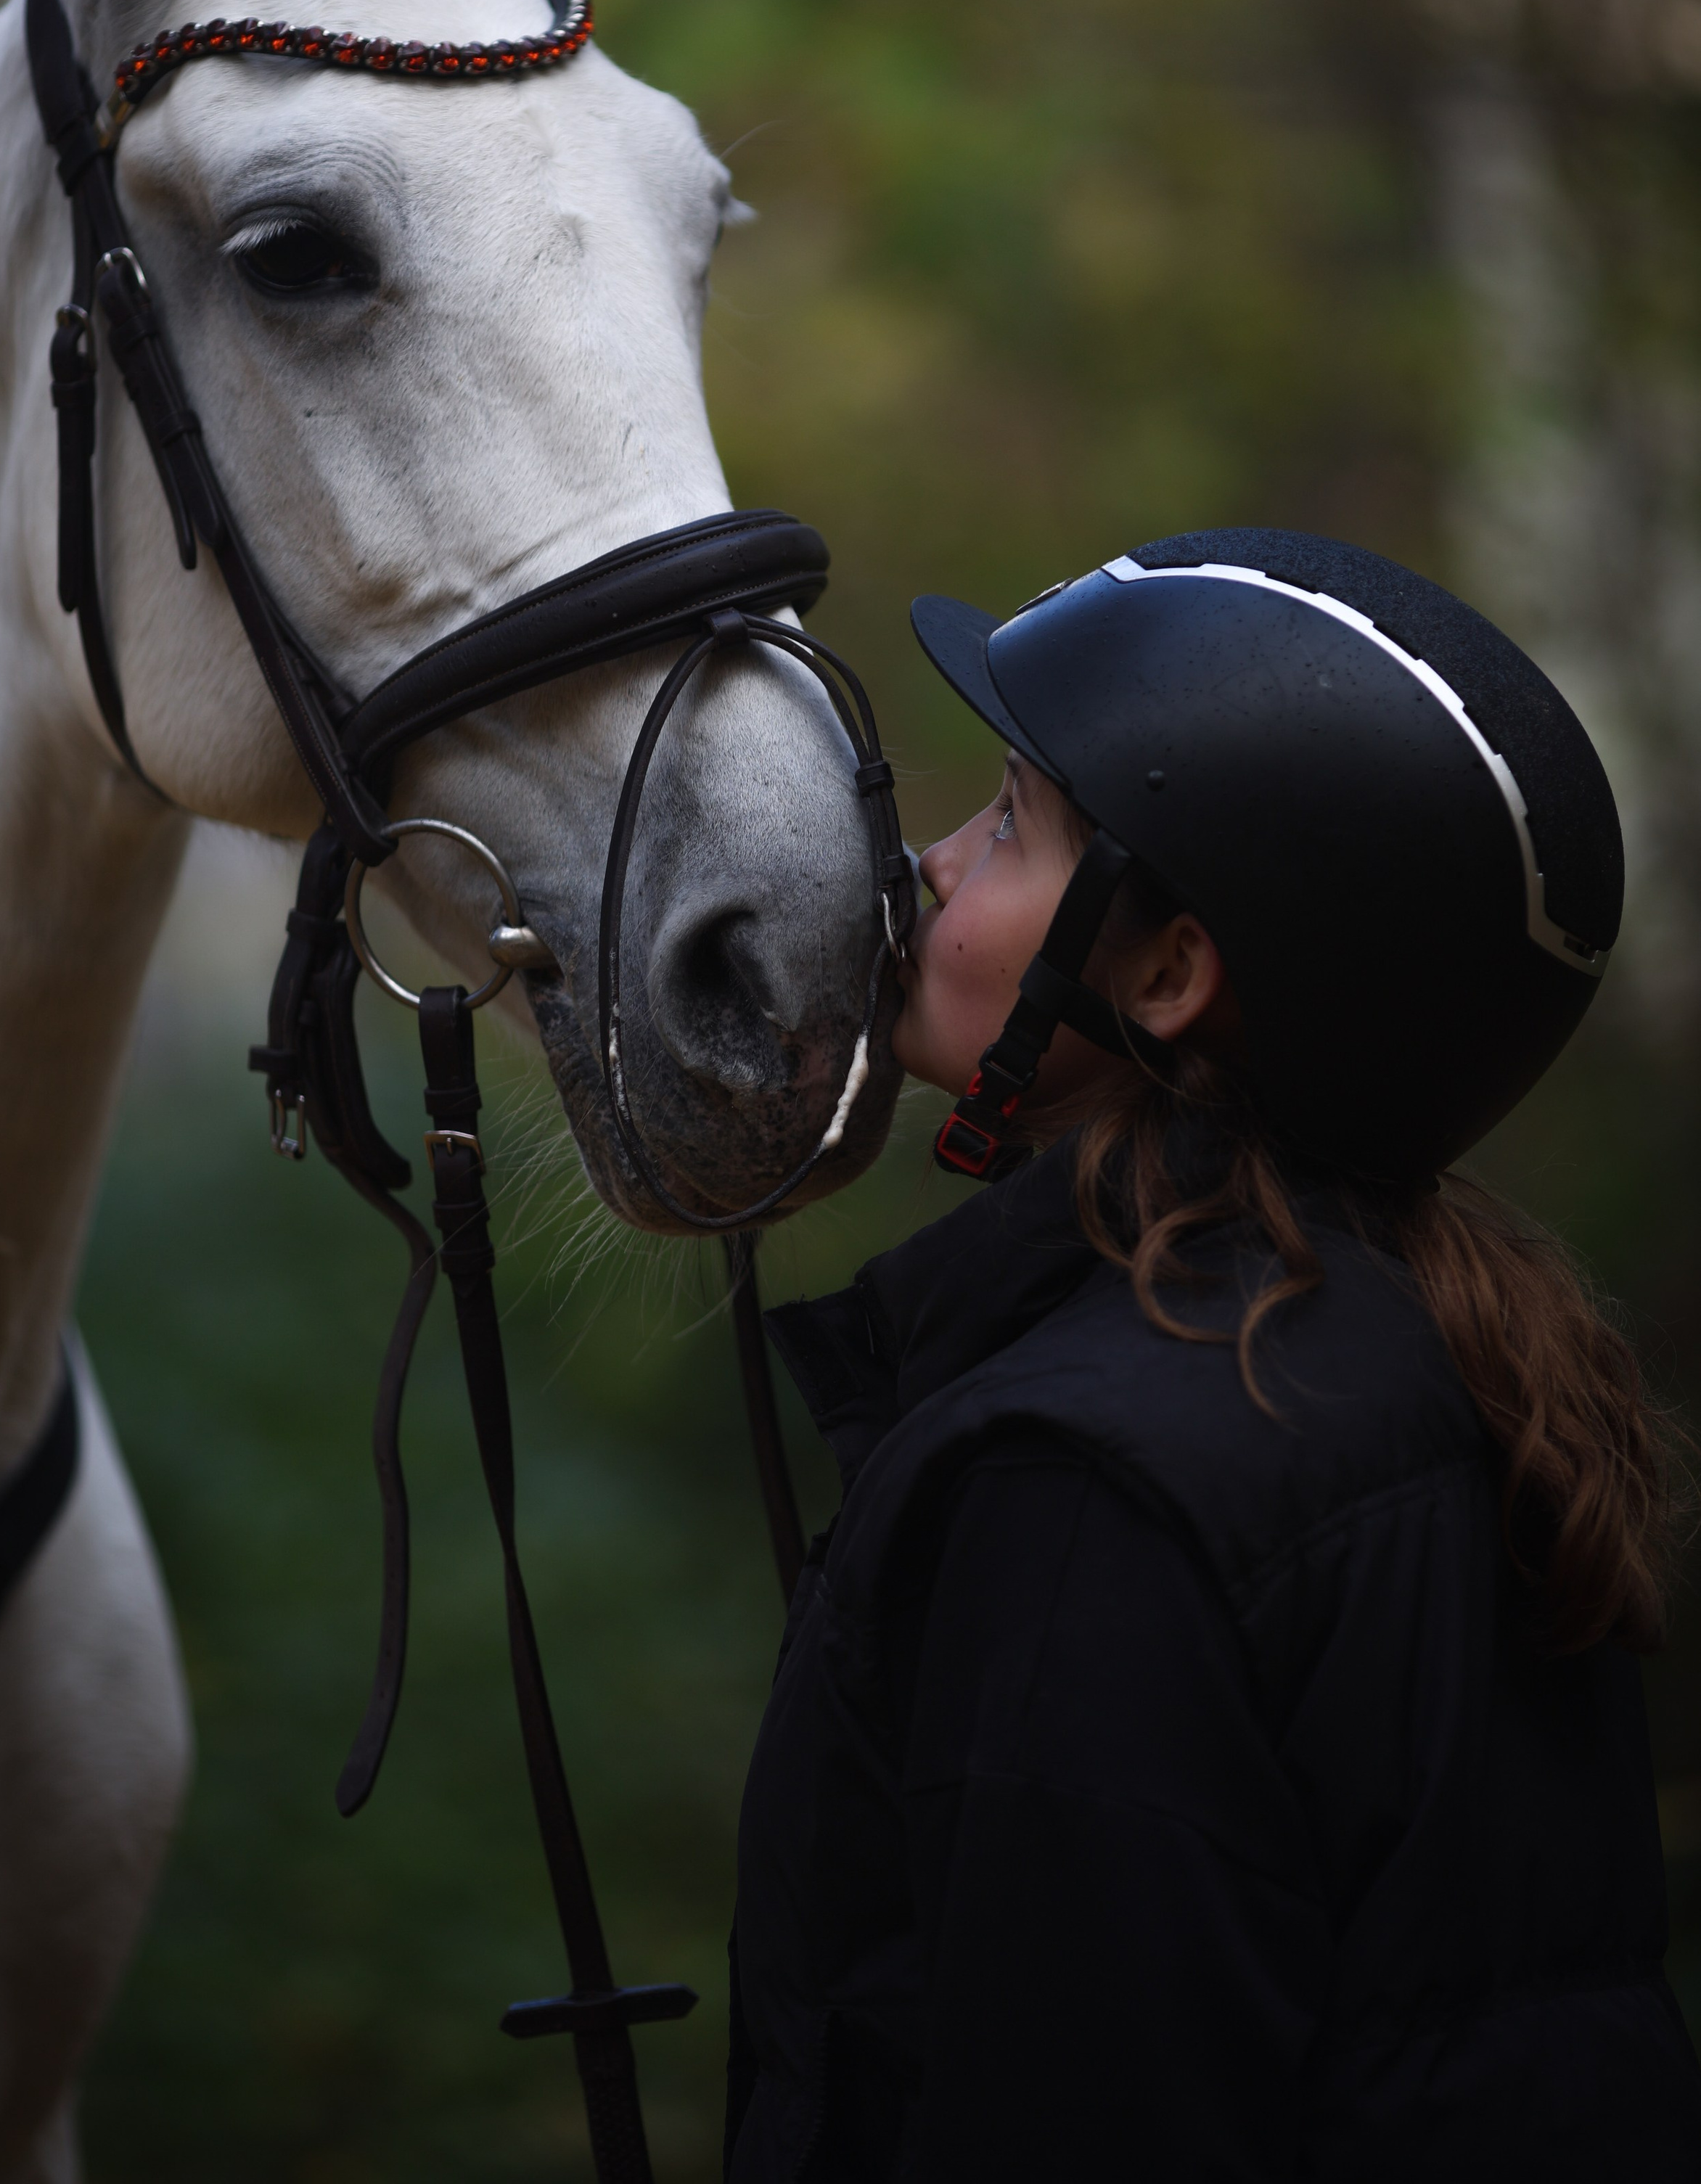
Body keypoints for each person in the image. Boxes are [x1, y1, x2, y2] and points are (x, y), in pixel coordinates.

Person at [724, 527, 1701, 2183]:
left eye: (1009, 827)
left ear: (1170, 976)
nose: (935, 866)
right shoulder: (1430, 1360)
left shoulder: (1088, 1486)